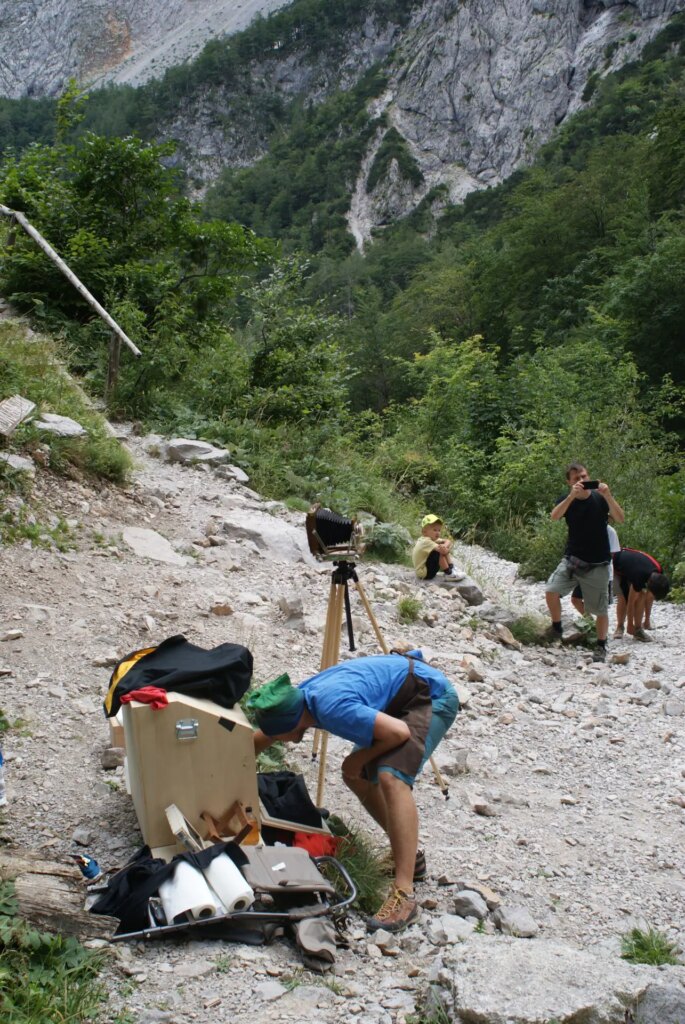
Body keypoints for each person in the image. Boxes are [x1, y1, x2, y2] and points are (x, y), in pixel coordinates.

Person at [249, 652, 459, 933]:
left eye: (280, 736)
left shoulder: (332, 708)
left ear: (292, 727)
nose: (279, 740)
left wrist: (355, 759)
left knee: (390, 776)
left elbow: (398, 733)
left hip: (430, 697)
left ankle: (404, 893)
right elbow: (263, 737)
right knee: (355, 775)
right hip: (399, 696)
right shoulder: (297, 702)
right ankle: (409, 857)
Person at [545, 461, 625, 662]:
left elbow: (620, 518)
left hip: (598, 563)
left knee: (600, 610)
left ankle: (600, 645)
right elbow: (554, 516)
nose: (582, 481)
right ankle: (556, 628)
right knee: (551, 590)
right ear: (569, 482)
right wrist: (571, 496)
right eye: (577, 478)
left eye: (584, 477)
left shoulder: (600, 499)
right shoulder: (567, 499)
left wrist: (608, 495)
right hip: (572, 559)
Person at [612, 547, 670, 641]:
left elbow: (650, 597)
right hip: (616, 565)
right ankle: (620, 627)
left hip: (632, 566)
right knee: (623, 598)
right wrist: (630, 624)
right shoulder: (639, 576)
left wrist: (647, 620)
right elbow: (631, 602)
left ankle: (638, 630)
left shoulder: (658, 571)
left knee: (642, 595)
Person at [571, 521, 620, 616]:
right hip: (584, 571)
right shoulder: (585, 528)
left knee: (600, 606)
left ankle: (600, 628)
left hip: (603, 574)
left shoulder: (610, 531)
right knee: (576, 599)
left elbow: (611, 555)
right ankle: (591, 624)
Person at [412, 514, 463, 581]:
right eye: (434, 530)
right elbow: (443, 551)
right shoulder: (425, 541)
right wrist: (445, 548)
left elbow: (448, 541)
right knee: (438, 551)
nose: (438, 533)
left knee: (441, 547)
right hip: (424, 573)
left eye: (439, 530)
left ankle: (452, 568)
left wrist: (444, 546)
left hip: (426, 569)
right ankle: (449, 574)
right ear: (424, 532)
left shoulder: (431, 538)